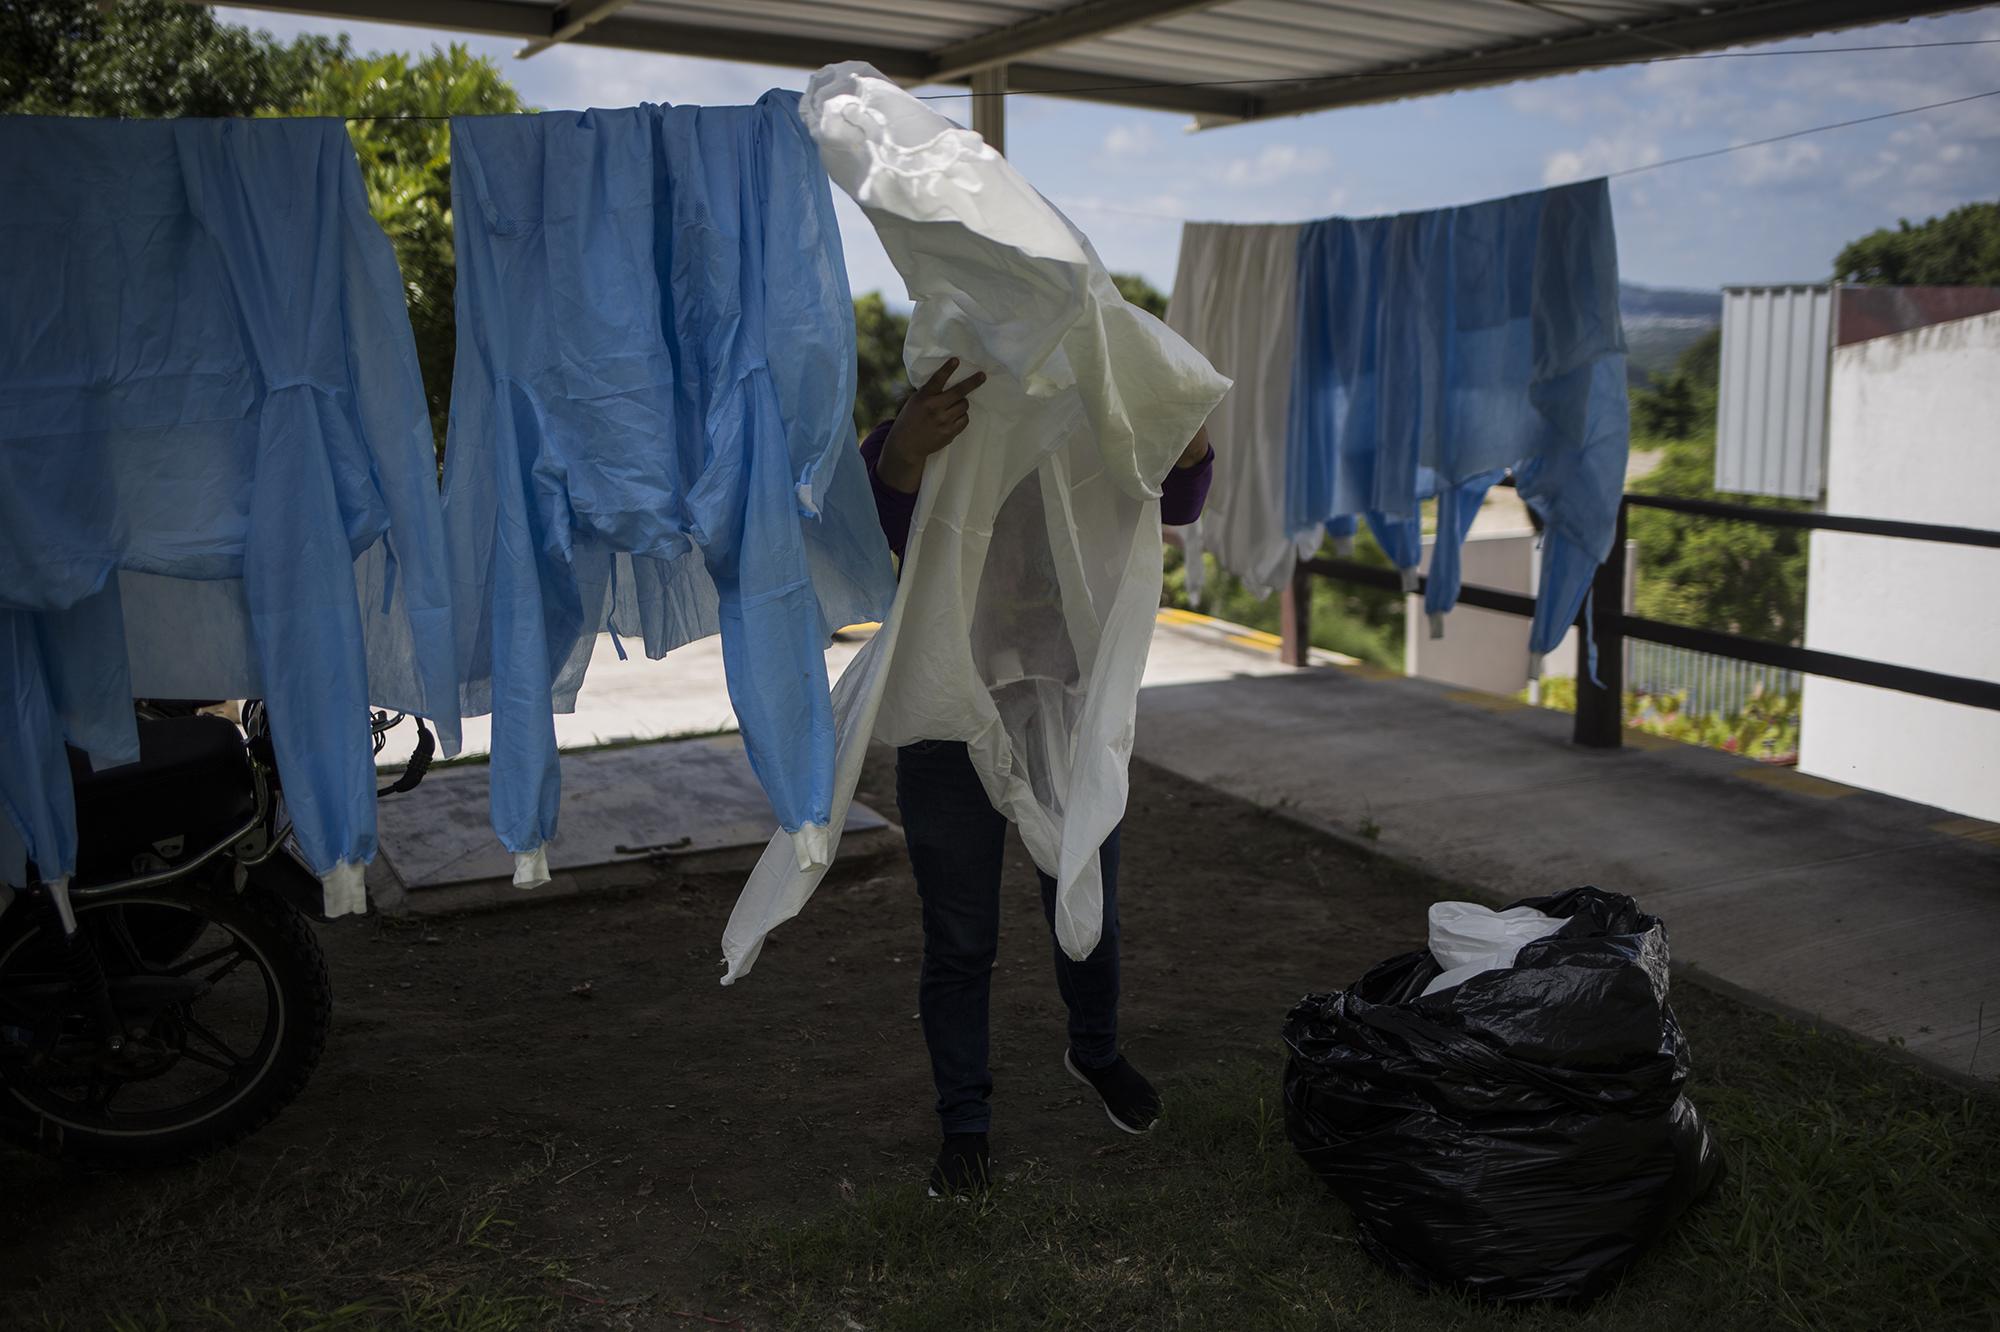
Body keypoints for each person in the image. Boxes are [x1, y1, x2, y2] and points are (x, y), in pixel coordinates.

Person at [859, 357, 1216, 1198]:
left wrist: (1165, 398)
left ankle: (1094, 1053)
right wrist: (906, 447)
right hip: (954, 713)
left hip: (1068, 709)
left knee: (1084, 894)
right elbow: (878, 510)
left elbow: (1187, 492)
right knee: (959, 935)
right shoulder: (935, 413)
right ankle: (965, 1123)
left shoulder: (1093, 416)